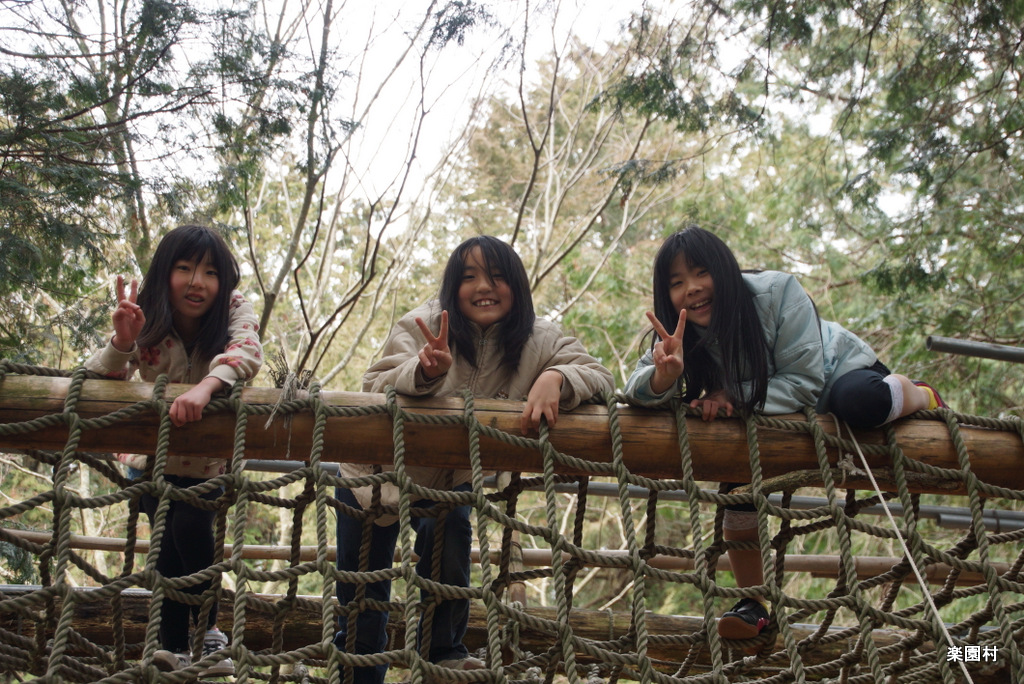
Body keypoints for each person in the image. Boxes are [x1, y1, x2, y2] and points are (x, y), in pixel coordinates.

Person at [621, 225, 946, 644]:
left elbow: (806, 382)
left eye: (702, 273)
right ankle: (752, 602)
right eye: (677, 283)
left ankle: (919, 393)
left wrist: (731, 396)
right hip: (760, 416)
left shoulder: (776, 291)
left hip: (835, 379)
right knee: (737, 483)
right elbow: (634, 388)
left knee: (861, 405)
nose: (693, 289)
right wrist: (664, 377)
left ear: (725, 270)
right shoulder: (677, 334)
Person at [335, 235, 614, 683]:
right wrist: (425, 371)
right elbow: (374, 383)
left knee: (452, 539)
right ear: (452, 287)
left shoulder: (540, 338)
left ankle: (443, 652)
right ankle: (357, 671)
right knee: (363, 596)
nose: (484, 286)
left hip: (451, 479)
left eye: (497, 276)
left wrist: (557, 377)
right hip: (371, 477)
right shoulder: (424, 323)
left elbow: (600, 375)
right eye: (469, 277)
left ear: (517, 287)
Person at [86, 224, 263, 675]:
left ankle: (204, 632)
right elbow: (97, 383)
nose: (196, 281)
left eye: (209, 271)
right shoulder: (144, 311)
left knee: (186, 525)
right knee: (166, 545)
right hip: (152, 460)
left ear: (224, 281)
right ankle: (183, 644)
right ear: (165, 273)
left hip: (207, 461)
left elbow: (246, 353)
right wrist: (122, 342)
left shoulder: (235, 310)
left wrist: (205, 389)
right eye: (184, 268)